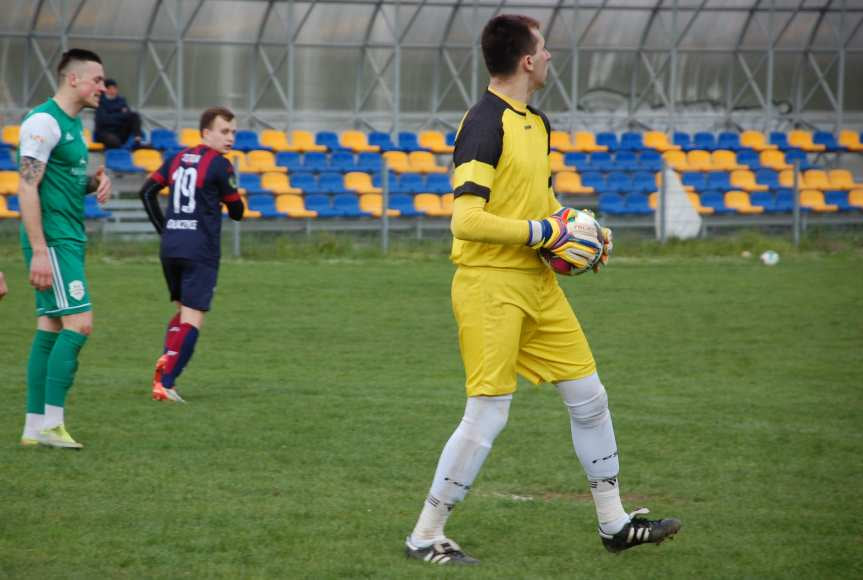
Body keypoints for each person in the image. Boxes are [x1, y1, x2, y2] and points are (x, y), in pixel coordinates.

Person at [404, 15, 680, 565]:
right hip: (489, 287)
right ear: (527, 61)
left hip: (536, 283)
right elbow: (466, 220)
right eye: (545, 49)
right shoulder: (484, 123)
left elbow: (543, 208)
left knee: (590, 398)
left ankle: (615, 524)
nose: (551, 56)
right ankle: (425, 536)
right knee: (488, 413)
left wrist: (579, 237)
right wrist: (543, 233)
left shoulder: (538, 122)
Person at [17, 48, 111, 449]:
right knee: (80, 324)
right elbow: (26, 184)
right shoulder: (42, 122)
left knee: (51, 328)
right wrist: (39, 249)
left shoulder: (74, 127)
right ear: (73, 79)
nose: (102, 89)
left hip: (67, 237)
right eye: (97, 80)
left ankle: (34, 427)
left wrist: (94, 183)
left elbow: (64, 181)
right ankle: (53, 423)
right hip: (53, 241)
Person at [138, 107, 244, 403]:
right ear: (206, 132)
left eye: (233, 132)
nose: (230, 137)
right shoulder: (221, 166)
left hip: (171, 248)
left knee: (183, 311)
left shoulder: (177, 158)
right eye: (224, 131)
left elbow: (146, 192)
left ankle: (165, 361)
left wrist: (166, 229)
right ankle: (167, 382)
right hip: (200, 249)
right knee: (194, 318)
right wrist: (231, 197)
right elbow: (237, 212)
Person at [94, 79, 142, 149]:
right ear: (105, 90)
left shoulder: (121, 101)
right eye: (110, 88)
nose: (113, 91)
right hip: (105, 132)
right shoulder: (99, 102)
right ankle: (119, 153)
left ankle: (137, 139)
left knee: (135, 116)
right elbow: (102, 120)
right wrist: (121, 115)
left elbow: (129, 115)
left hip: (119, 131)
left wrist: (112, 115)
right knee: (114, 142)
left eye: (114, 88)